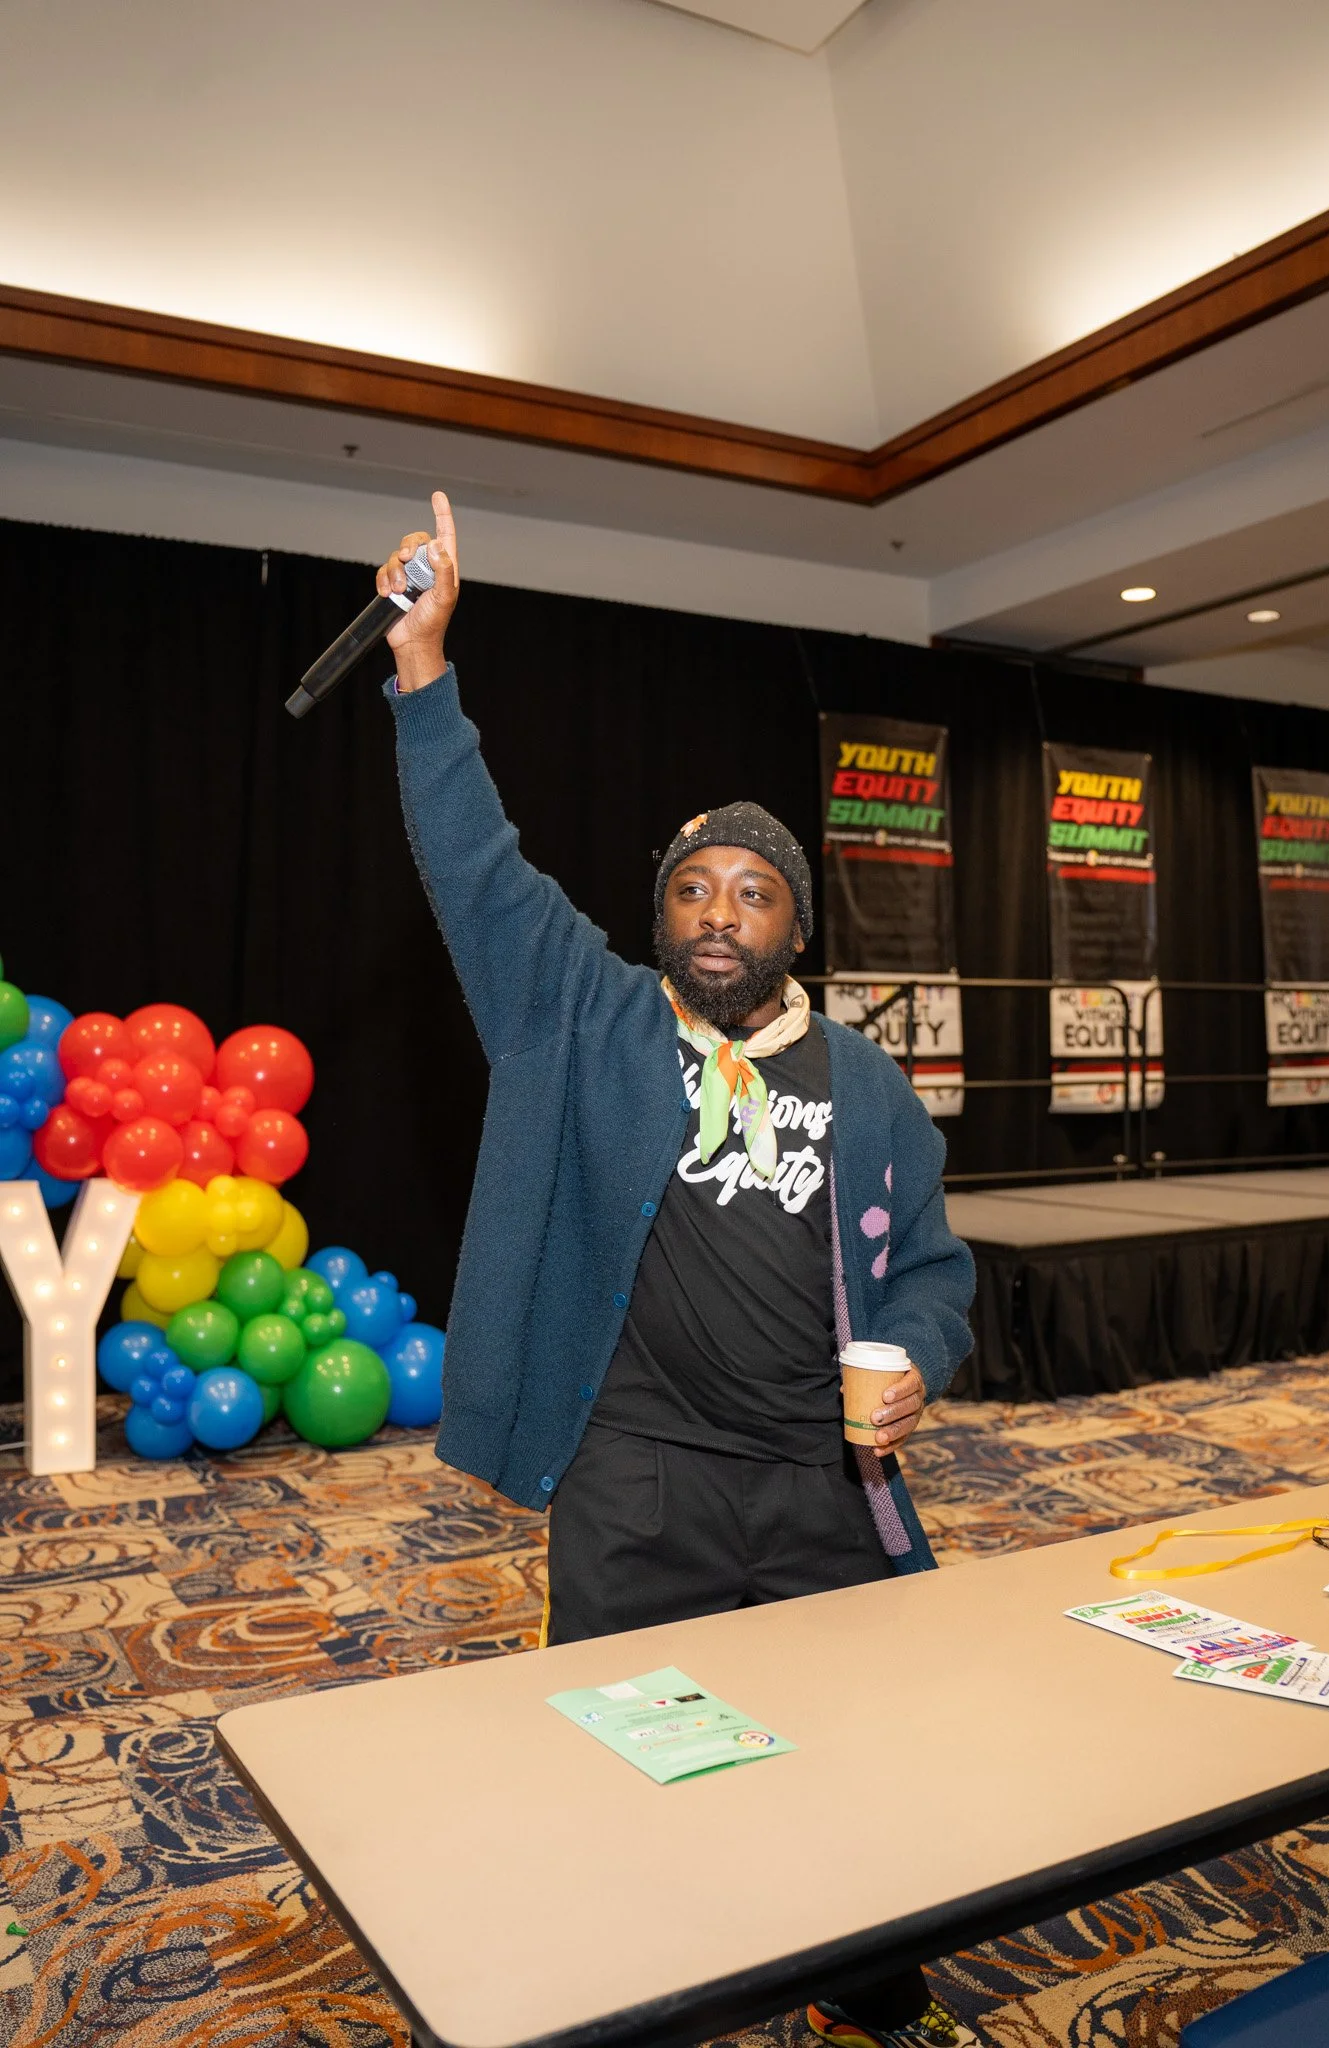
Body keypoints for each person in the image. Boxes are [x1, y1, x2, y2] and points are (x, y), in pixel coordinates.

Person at [381, 493, 979, 2048]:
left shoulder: (866, 1083)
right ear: (662, 916)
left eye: (752, 893)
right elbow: (476, 864)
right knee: (621, 1744)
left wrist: (919, 1352)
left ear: (795, 924)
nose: (719, 915)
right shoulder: (584, 1017)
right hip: (634, 1468)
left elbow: (932, 1268)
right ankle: (627, 1959)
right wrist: (425, 673)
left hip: (818, 1473)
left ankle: (860, 1954)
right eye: (695, 891)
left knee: (842, 1737)